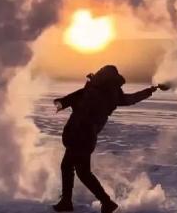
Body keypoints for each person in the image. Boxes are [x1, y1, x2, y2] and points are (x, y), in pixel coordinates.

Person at [52, 65, 159, 213]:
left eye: (101, 73)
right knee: (73, 168)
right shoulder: (108, 94)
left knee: (80, 171)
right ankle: (71, 201)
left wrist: (63, 102)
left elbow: (77, 99)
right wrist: (149, 91)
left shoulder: (95, 91)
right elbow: (131, 98)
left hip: (80, 135)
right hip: (84, 136)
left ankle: (103, 202)